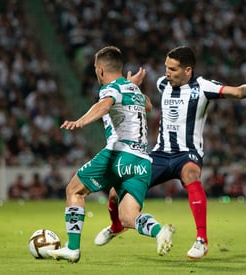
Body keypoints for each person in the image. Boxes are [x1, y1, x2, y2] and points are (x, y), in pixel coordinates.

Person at [94, 46, 246, 259]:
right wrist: (130, 87)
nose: (167, 73)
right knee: (115, 191)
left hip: (187, 154)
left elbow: (237, 92)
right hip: (161, 154)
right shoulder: (162, 84)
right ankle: (116, 225)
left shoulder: (202, 86)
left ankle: (201, 240)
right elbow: (143, 102)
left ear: (187, 70)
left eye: (173, 69)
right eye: (166, 67)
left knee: (191, 175)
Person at [47, 46, 175, 263]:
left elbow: (104, 105)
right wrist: (131, 85)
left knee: (74, 191)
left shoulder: (109, 89)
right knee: (128, 217)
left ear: (100, 70)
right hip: (143, 161)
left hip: (119, 154)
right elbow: (149, 105)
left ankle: (73, 248)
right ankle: (158, 231)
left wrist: (81, 121)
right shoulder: (132, 89)